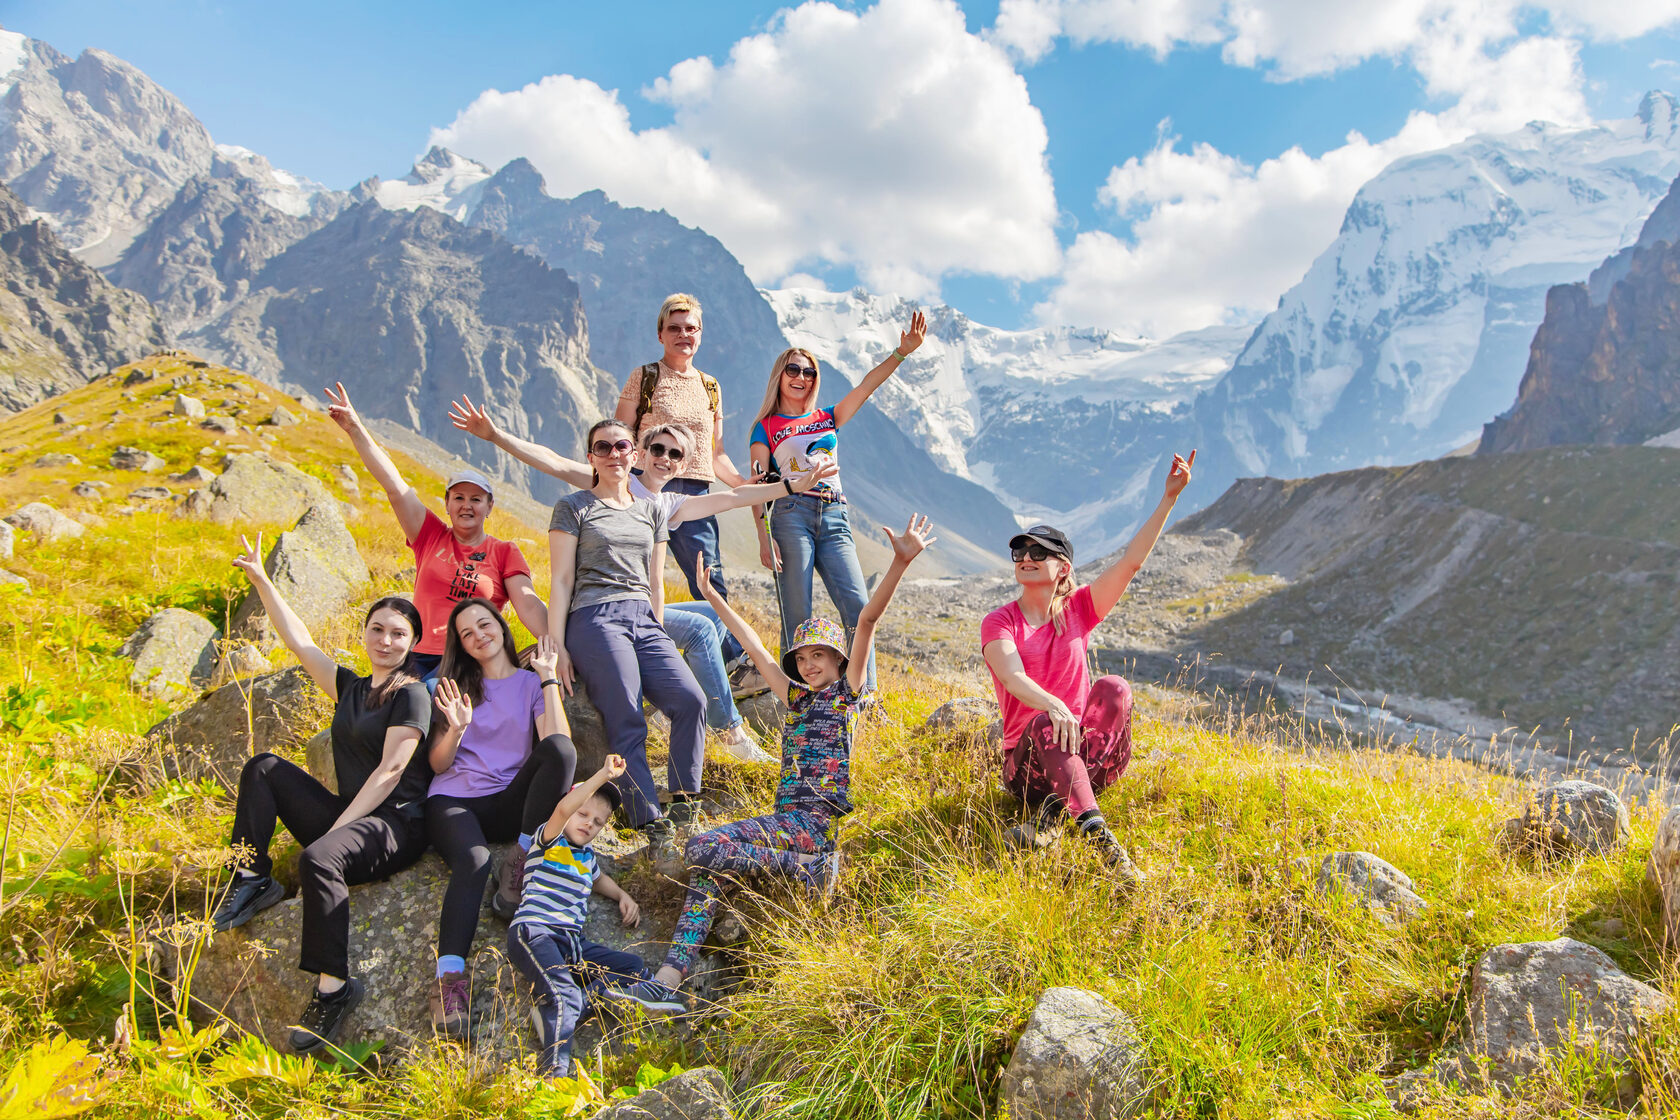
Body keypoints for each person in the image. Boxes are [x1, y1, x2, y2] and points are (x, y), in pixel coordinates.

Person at [604, 518, 933, 1013]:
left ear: (841, 662)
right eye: (802, 658)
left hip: (814, 825)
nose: (809, 665)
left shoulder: (847, 696)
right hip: (786, 824)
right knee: (708, 867)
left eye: (820, 656)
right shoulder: (796, 700)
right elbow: (756, 647)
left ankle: (812, 870)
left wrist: (900, 562)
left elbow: (865, 621)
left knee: (702, 845)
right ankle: (671, 977)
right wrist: (714, 602)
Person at [449, 396, 836, 762]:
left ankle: (678, 697)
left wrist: (789, 487)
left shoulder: (670, 505)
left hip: (641, 610)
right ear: (641, 453)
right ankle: (730, 730)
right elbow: (552, 462)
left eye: (675, 454)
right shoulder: (613, 480)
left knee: (713, 616)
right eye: (657, 450)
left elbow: (734, 498)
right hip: (602, 610)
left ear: (683, 465)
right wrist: (495, 434)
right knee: (702, 629)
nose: (664, 459)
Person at [210, 533, 434, 1055]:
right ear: (364, 634)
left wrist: (337, 830)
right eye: (376, 628)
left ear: (411, 644)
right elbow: (299, 641)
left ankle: (333, 989)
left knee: (318, 859)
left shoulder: (413, 695)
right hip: (352, 816)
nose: (385, 640)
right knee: (263, 767)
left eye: (398, 633)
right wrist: (263, 581)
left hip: (396, 825)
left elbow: (390, 771)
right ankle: (250, 876)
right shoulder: (351, 688)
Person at [980, 450, 1196, 885]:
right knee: (1044, 721)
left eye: (1039, 551)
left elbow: (1130, 564)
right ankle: (1103, 843)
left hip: (1083, 754)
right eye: (1020, 550)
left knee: (1115, 686)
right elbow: (1011, 676)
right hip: (1029, 767)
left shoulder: (1080, 608)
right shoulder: (1000, 621)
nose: (1026, 556)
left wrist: (1169, 498)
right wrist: (1055, 705)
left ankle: (1057, 815)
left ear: (1063, 568)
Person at [547, 418, 707, 871]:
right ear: (591, 456)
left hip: (643, 618)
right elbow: (560, 581)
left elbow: (655, 580)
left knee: (690, 700)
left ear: (633, 454)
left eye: (622, 445)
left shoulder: (651, 509)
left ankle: (683, 803)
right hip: (594, 617)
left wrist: (657, 630)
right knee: (627, 714)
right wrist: (556, 646)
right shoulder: (573, 506)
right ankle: (648, 819)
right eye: (603, 447)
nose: (614, 453)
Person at [749, 311, 928, 695]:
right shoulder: (765, 426)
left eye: (809, 372)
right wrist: (764, 538)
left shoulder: (827, 417)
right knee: (796, 617)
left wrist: (902, 352)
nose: (801, 378)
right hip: (790, 516)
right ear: (780, 374)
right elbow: (759, 487)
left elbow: (867, 387)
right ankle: (798, 703)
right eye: (793, 369)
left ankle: (864, 699)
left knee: (859, 609)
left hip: (835, 515)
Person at [324, 381, 546, 677]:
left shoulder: (504, 552)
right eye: (459, 498)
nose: (466, 506)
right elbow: (394, 487)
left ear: (489, 506)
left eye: (476, 499)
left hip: (468, 659)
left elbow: (528, 607)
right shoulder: (430, 536)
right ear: (447, 503)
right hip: (414, 655)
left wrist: (557, 642)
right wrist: (354, 427)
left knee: (424, 699)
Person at [423, 607, 576, 1039]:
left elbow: (557, 744)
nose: (477, 635)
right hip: (454, 800)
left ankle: (523, 856)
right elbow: (437, 764)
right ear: (460, 644)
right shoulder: (451, 687)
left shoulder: (530, 683)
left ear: (502, 626)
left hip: (509, 803)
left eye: (484, 624)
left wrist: (547, 676)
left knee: (562, 752)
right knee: (472, 863)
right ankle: (449, 980)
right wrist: (455, 728)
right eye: (466, 633)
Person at [506, 753, 659, 1077]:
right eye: (583, 813)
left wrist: (622, 895)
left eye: (598, 822)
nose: (589, 823)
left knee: (634, 969)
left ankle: (581, 1003)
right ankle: (554, 1076)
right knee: (562, 994)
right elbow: (562, 809)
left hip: (572, 943)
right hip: (536, 931)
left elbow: (598, 878)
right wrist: (602, 776)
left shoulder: (587, 858)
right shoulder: (548, 839)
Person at [613, 292, 747, 602]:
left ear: (700, 334)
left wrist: (743, 485)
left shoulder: (710, 386)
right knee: (636, 576)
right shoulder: (644, 377)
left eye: (691, 328)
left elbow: (715, 453)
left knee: (709, 580)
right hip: (644, 488)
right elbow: (620, 440)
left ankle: (727, 651)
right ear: (660, 334)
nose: (683, 335)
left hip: (695, 493)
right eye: (674, 328)